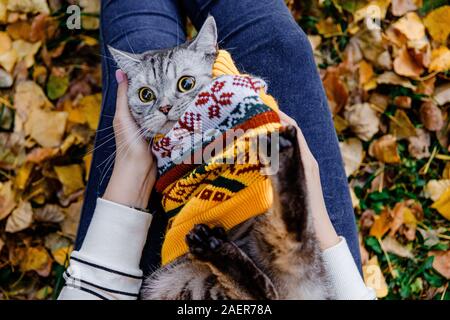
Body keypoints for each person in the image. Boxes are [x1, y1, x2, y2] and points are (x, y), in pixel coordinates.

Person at [58, 0, 375, 299]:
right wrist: (312, 209)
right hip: (306, 259)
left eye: (182, 88)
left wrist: (133, 175)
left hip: (174, 265)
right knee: (277, 41)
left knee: (141, 34)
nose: (167, 107)